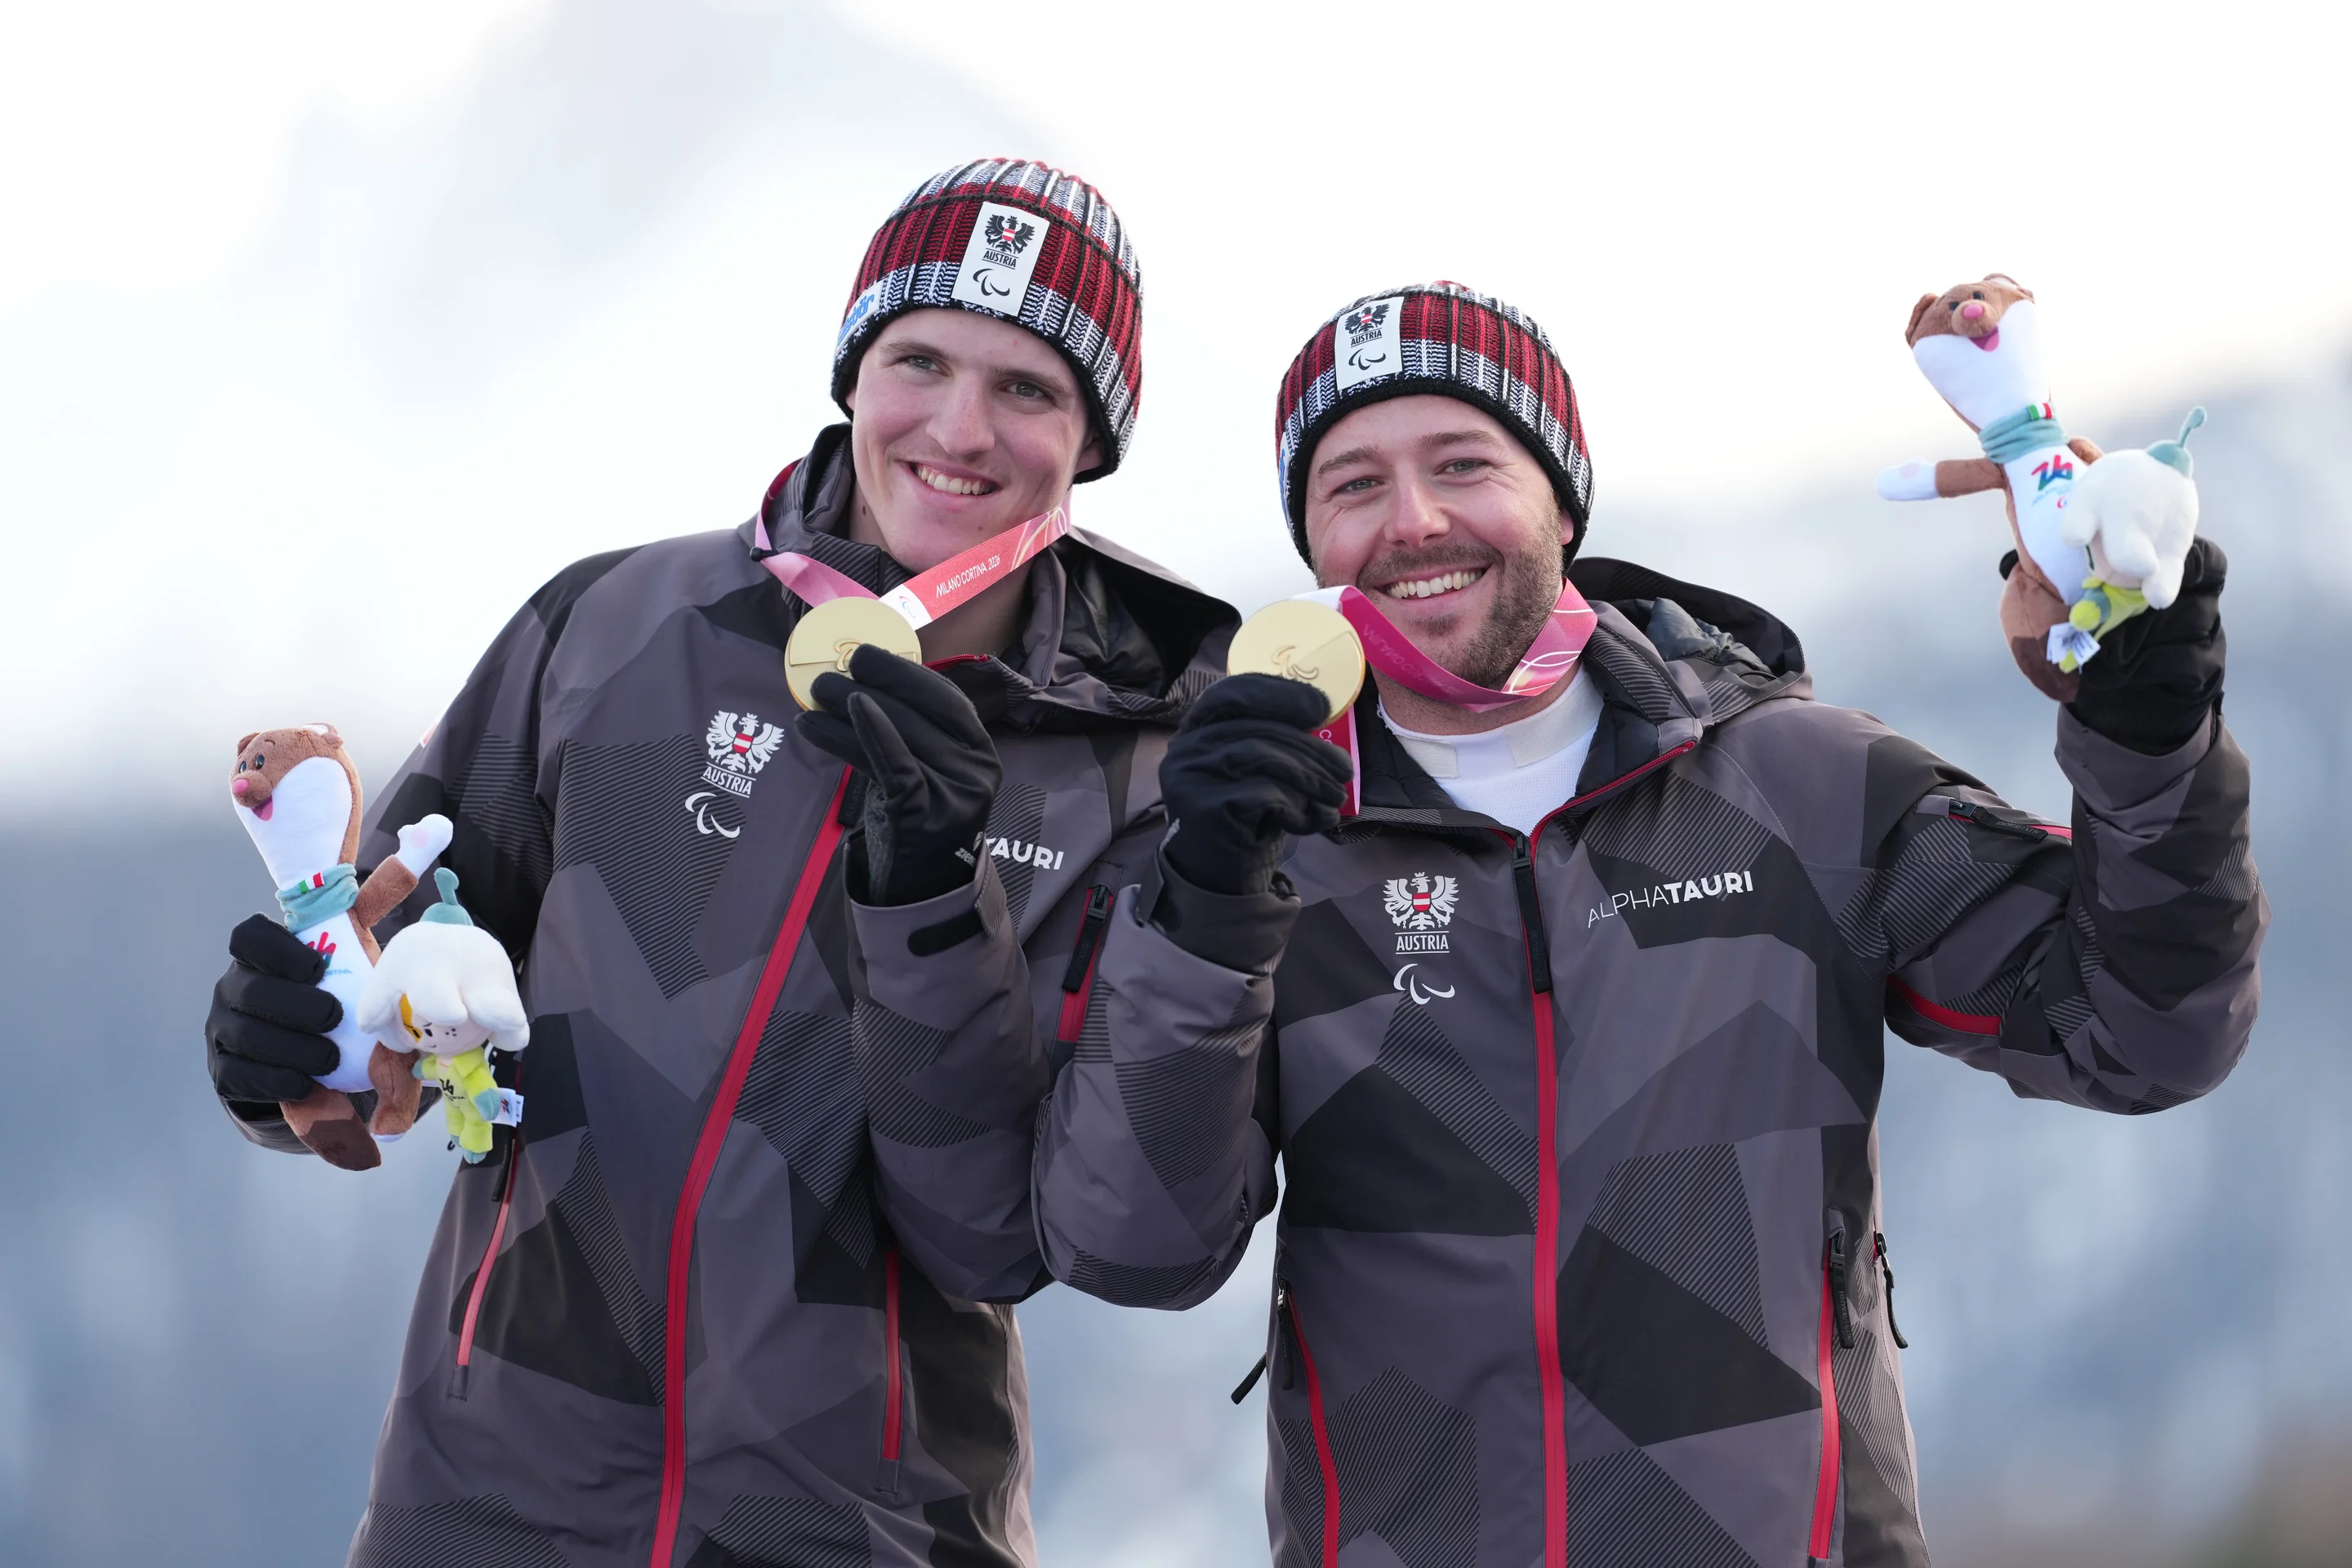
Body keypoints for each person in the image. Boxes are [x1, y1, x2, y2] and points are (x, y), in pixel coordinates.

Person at [1031, 282, 2263, 1566]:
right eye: (1352, 486)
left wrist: (2150, 732)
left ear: (1562, 499)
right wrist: (1205, 915)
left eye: (1464, 463)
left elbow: (2143, 1034)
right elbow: (1133, 1245)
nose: (1414, 521)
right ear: (1312, 545)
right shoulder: (1262, 837)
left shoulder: (1801, 784)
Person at [201, 158, 1234, 1568]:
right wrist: (282, 1052)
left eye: (1028, 388)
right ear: (852, 377)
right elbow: (386, 999)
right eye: (918, 360)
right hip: (494, 1503)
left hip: (873, 1530)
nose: (958, 427)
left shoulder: (1132, 754)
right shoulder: (618, 626)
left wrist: (931, 895)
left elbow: (1007, 1234)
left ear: (1093, 438)